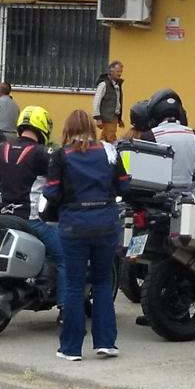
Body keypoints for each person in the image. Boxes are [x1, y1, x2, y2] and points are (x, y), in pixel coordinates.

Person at [42, 110, 129, 361]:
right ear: (92, 128)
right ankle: (106, 343)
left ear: (67, 129)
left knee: (74, 285)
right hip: (105, 224)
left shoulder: (60, 156)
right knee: (102, 282)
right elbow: (124, 185)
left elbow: (51, 193)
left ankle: (70, 348)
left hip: (73, 226)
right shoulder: (109, 151)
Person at [0, 106, 64, 289]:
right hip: (30, 219)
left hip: (3, 216)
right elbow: (62, 179)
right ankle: (65, 311)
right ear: (43, 126)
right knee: (65, 258)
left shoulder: (2, 148)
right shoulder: (42, 153)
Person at [92, 61, 124, 143]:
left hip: (114, 117)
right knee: (111, 138)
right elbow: (96, 101)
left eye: (121, 71)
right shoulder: (104, 84)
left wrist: (119, 119)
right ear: (111, 71)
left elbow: (118, 102)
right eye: (118, 71)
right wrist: (98, 118)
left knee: (104, 138)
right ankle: (117, 154)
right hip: (107, 117)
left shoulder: (117, 85)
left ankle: (98, 151)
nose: (120, 74)